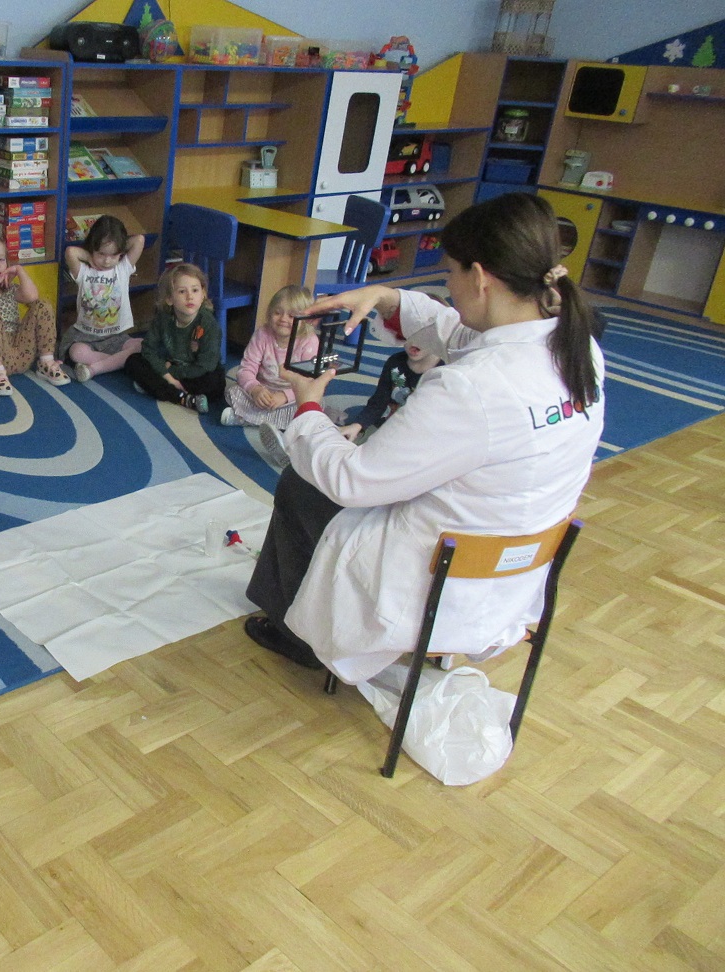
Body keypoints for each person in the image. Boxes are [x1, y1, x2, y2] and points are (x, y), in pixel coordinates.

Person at [244, 192, 605, 684]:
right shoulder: (577, 347)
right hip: (516, 568)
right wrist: (387, 298)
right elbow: (462, 336)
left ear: (480, 278)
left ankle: (298, 636)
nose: (448, 286)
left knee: (302, 482)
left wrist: (309, 408)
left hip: (438, 577)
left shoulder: (471, 388)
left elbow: (352, 481)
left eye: (451, 272)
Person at [0, 235, 67, 396]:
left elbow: (32, 297)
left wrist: (19, 271)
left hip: (20, 352)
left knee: (42, 304)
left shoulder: (10, 289)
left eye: (1, 259)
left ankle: (46, 362)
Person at [123, 262, 225, 414]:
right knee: (133, 362)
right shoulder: (163, 318)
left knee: (215, 383)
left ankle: (162, 388)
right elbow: (148, 348)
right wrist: (168, 376)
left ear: (203, 294)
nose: (190, 296)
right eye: (182, 291)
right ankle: (182, 397)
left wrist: (170, 373)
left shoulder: (209, 325)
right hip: (170, 367)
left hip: (195, 373)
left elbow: (206, 365)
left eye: (195, 290)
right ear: (169, 299)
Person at [60, 215, 146, 381]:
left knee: (142, 346)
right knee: (76, 352)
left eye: (113, 255)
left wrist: (117, 246)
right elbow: (70, 252)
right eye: (101, 254)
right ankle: (120, 363)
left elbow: (139, 240)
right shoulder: (83, 271)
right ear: (92, 249)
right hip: (86, 337)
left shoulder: (122, 268)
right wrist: (89, 257)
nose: (107, 261)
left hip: (116, 337)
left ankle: (94, 369)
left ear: (120, 253)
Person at [221, 285, 317, 428]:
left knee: (311, 404)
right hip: (263, 390)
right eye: (277, 312)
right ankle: (278, 423)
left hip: (293, 394)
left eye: (291, 316)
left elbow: (310, 382)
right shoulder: (262, 334)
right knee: (234, 392)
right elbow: (246, 369)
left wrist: (284, 396)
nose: (283, 319)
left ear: (306, 320)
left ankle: (246, 418)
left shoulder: (309, 341)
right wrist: (255, 390)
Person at [336, 341, 442, 443]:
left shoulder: (444, 373)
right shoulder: (395, 361)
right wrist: (359, 424)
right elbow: (379, 401)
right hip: (390, 423)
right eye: (409, 336)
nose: (414, 343)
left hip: (423, 434)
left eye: (423, 337)